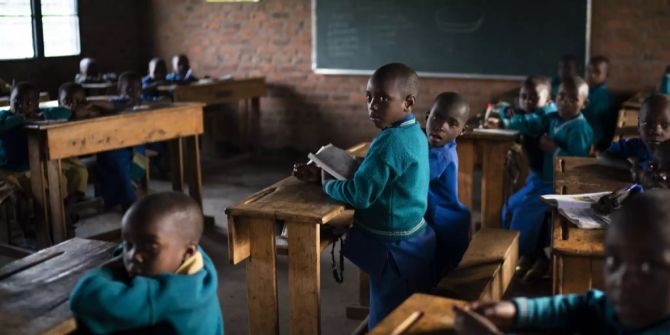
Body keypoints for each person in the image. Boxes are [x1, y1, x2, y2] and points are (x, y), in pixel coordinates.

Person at [293, 63, 435, 329]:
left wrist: (326, 182)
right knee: (402, 307)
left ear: (408, 102)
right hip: (415, 235)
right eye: (369, 97)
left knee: (387, 320)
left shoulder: (389, 142)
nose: (373, 106)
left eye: (383, 99)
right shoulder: (414, 132)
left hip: (392, 249)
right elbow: (384, 170)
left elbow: (359, 195)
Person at [454, 189, 670, 335]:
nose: (622, 279)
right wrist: (517, 312)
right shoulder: (628, 307)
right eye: (614, 259)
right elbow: (586, 307)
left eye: (649, 266)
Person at [70, 192, 224, 334]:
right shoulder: (200, 266)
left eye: (150, 247)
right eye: (129, 244)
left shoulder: (163, 296)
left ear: (188, 252)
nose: (133, 256)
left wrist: (110, 267)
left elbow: (85, 297)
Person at [503, 76, 593, 283]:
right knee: (509, 206)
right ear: (554, 98)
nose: (565, 102)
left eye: (573, 99)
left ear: (584, 103)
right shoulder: (553, 118)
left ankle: (524, 256)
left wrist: (557, 149)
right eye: (561, 96)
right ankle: (530, 255)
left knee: (523, 214)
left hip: (559, 185)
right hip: (540, 180)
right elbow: (532, 122)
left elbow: (579, 167)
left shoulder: (579, 129)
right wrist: (505, 117)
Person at [424, 92, 472, 281]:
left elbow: (413, 178)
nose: (441, 127)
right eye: (436, 117)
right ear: (427, 117)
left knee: (438, 279)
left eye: (452, 124)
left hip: (442, 224)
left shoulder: (441, 155)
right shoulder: (439, 147)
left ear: (462, 130)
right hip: (445, 218)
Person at [583, 55, 614, 151]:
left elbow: (604, 127)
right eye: (588, 70)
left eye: (597, 72)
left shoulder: (605, 97)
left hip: (593, 144)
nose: (591, 75)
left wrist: (596, 144)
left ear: (607, 74)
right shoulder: (584, 91)